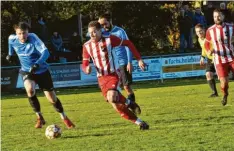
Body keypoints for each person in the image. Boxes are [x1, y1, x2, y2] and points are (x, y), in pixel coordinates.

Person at [6, 22, 75, 128]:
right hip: (26, 71)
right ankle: (39, 117)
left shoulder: (33, 38)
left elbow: (46, 52)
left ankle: (64, 117)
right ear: (16, 33)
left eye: (24, 33)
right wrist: (10, 55)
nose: (22, 36)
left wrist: (37, 64)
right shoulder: (12, 38)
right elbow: (10, 44)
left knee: (52, 99)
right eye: (19, 33)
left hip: (42, 71)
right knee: (30, 90)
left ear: (28, 32)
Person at [82, 21, 149, 130]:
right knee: (117, 106)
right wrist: (86, 69)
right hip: (101, 78)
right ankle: (140, 122)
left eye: (94, 32)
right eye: (90, 33)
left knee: (112, 97)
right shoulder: (86, 46)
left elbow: (128, 43)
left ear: (100, 31)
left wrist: (139, 59)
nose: (92, 35)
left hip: (113, 74)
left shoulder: (109, 39)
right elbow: (84, 63)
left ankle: (129, 103)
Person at [98, 13, 140, 114]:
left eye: (105, 24)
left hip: (122, 62)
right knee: (115, 88)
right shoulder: (102, 34)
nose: (104, 27)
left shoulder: (119, 31)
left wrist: (129, 62)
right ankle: (127, 106)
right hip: (112, 65)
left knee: (126, 86)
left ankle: (132, 106)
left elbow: (128, 46)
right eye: (101, 25)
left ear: (110, 21)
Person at [204, 9, 234, 106]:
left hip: (231, 57)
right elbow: (206, 44)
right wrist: (209, 50)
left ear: (223, 16)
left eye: (218, 16)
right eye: (215, 16)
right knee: (224, 83)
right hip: (219, 60)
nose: (217, 18)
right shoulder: (210, 30)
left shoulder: (231, 27)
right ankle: (225, 94)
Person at [195, 24, 218, 98]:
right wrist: (202, 57)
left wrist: (211, 50)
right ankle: (214, 93)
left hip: (219, 57)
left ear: (204, 30)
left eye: (200, 31)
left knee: (223, 77)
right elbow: (203, 49)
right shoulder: (199, 39)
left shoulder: (210, 37)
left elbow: (218, 44)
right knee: (208, 74)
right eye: (197, 32)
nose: (199, 33)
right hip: (210, 59)